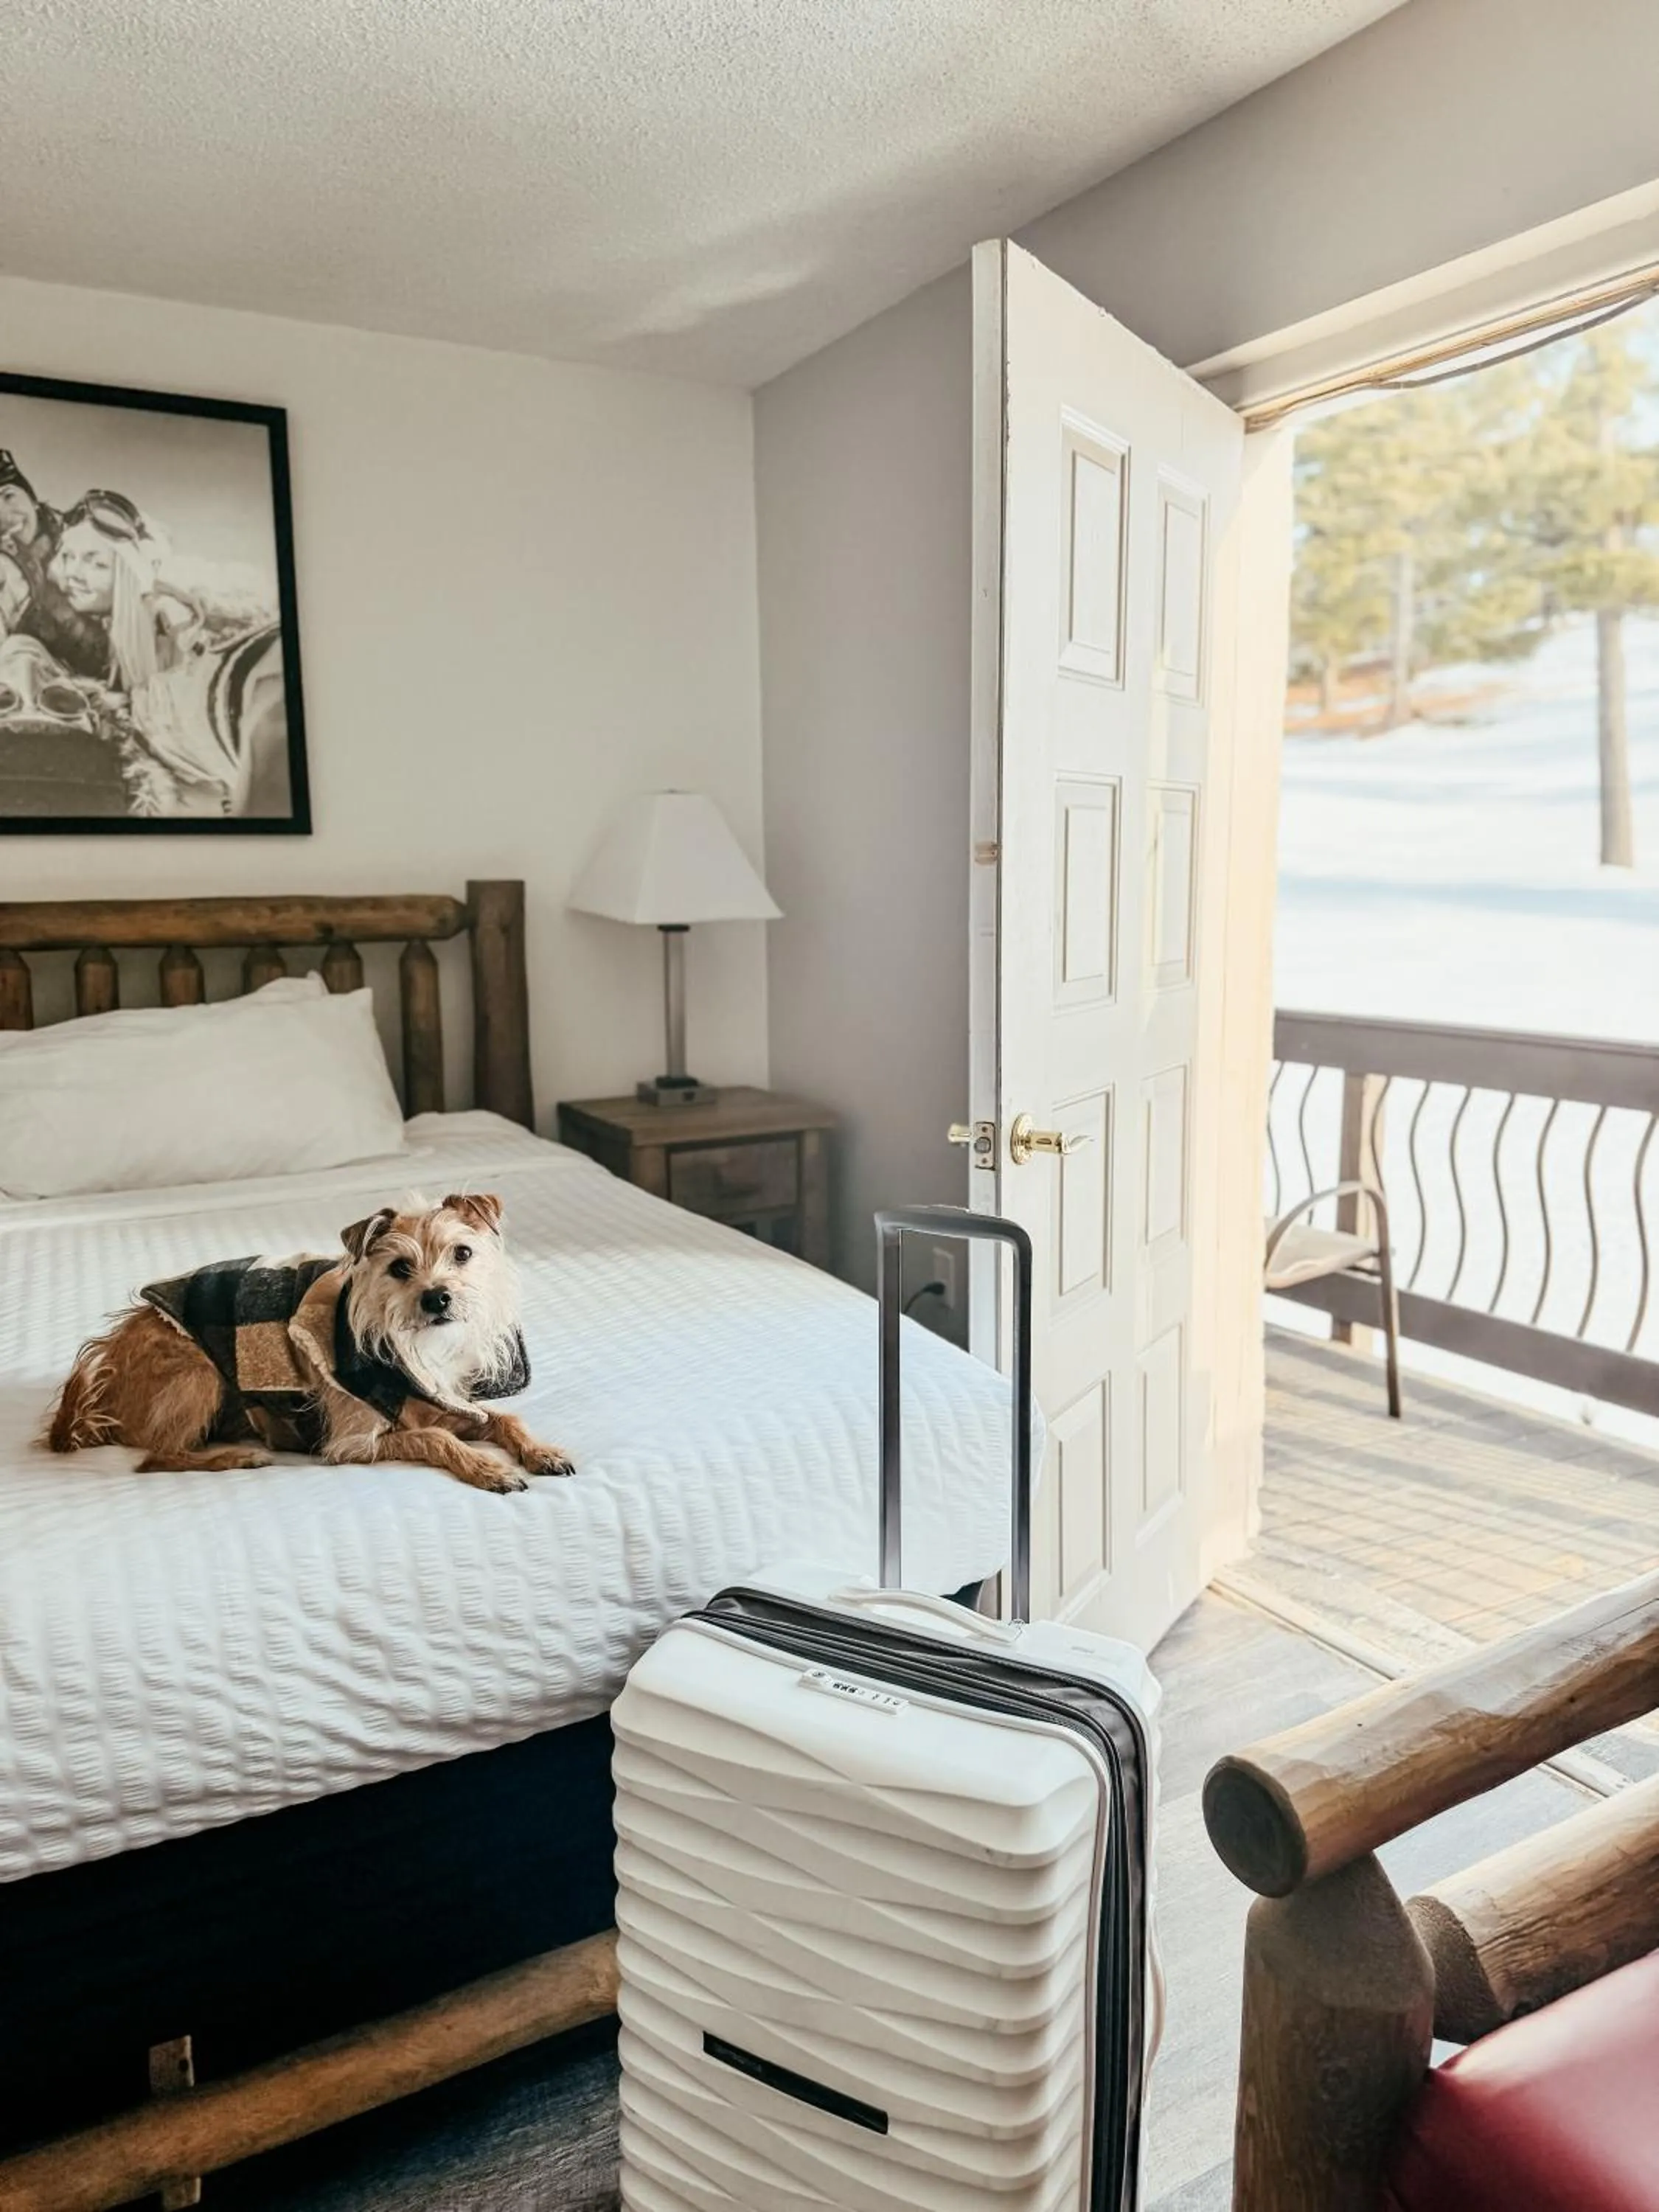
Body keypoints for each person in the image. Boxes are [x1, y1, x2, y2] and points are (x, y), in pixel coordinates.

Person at [0, 451, 117, 678]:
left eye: (8, 496)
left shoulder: (80, 532)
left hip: (120, 659)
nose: (3, 515)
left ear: (31, 497)